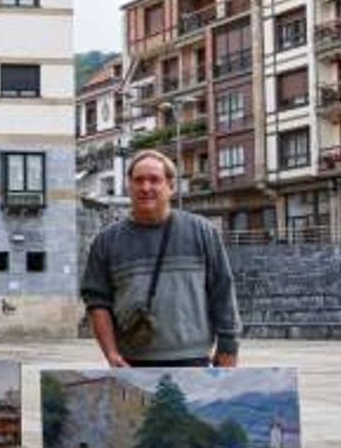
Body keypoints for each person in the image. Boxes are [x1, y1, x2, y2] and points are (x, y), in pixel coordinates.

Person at [81, 148, 240, 369]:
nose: (146, 187)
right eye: (139, 180)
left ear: (171, 186)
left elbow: (222, 291)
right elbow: (97, 302)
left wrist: (228, 347)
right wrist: (111, 353)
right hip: (130, 364)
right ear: (129, 186)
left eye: (154, 180)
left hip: (192, 360)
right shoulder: (106, 242)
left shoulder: (202, 232)